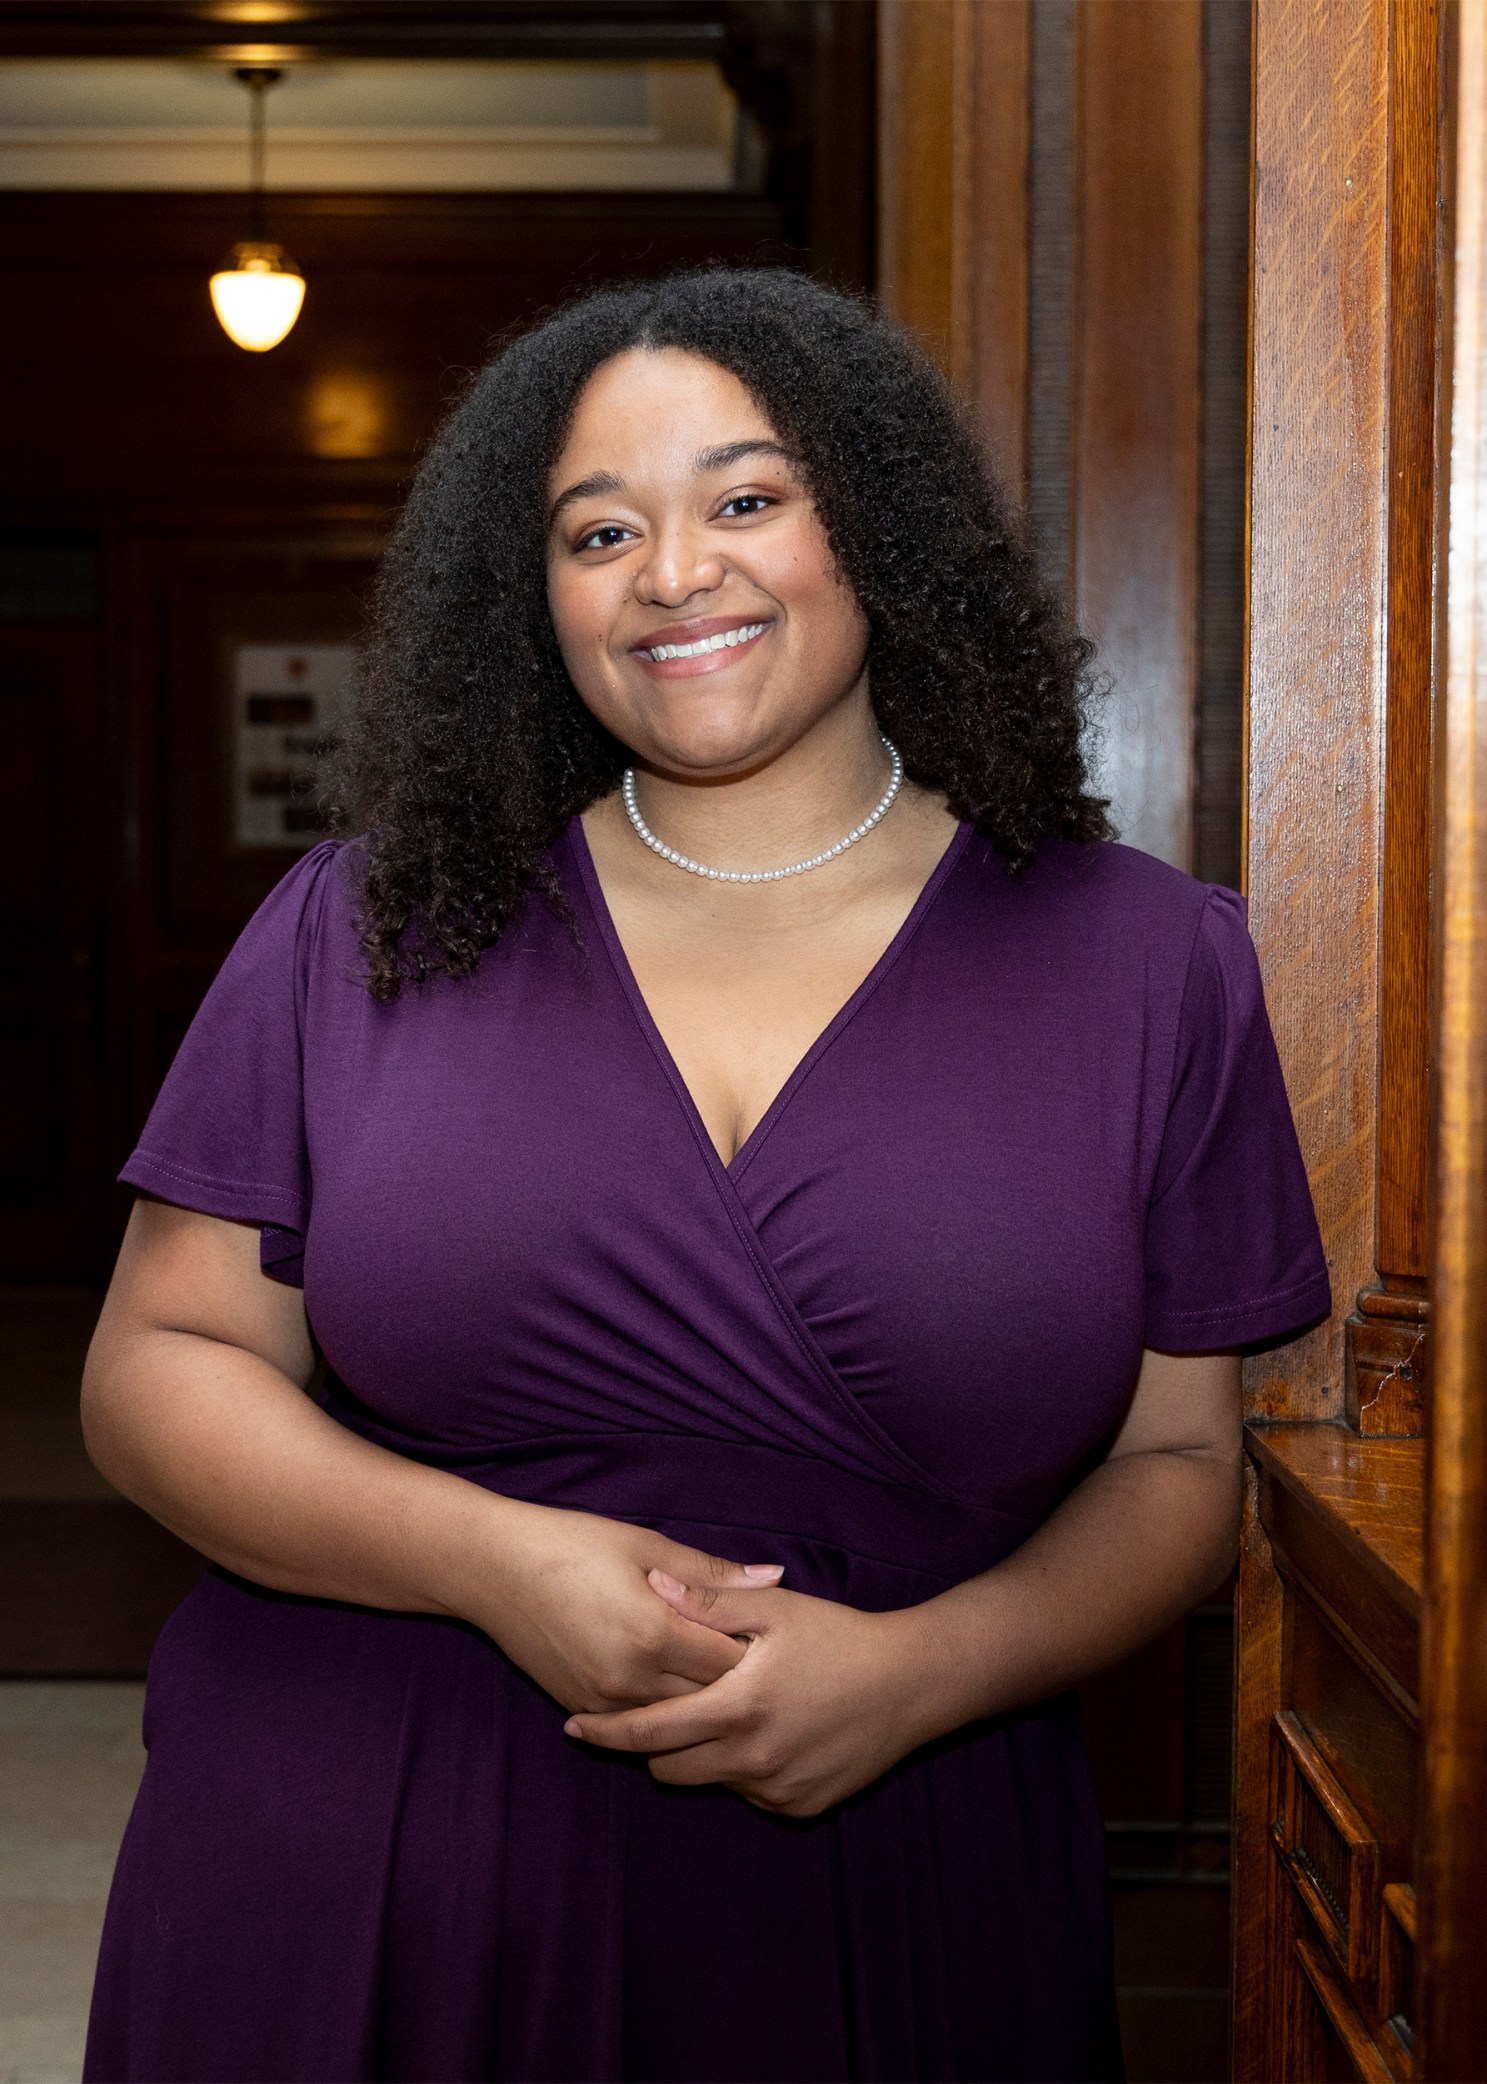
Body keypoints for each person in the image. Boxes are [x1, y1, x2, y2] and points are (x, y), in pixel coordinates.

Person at [81, 268, 1329, 2084]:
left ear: (876, 532)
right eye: (602, 530)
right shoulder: (367, 927)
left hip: (901, 1867)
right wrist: (490, 1563)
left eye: (747, 499)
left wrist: (926, 1676)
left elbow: (1178, 1468)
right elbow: (156, 1371)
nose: (676, 573)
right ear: (539, 596)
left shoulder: (1147, 962)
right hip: (362, 1868)